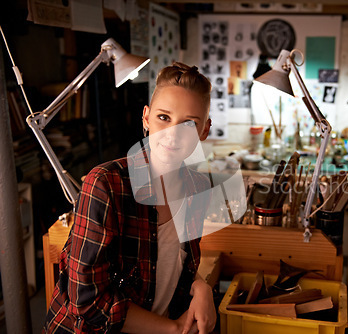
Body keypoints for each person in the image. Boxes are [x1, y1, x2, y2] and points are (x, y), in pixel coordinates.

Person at [43, 62, 217, 334]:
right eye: (163, 117)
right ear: (146, 118)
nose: (173, 133)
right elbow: (86, 302)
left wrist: (200, 286)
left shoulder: (198, 188)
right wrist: (171, 329)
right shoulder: (106, 184)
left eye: (189, 123)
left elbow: (179, 266)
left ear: (204, 130)